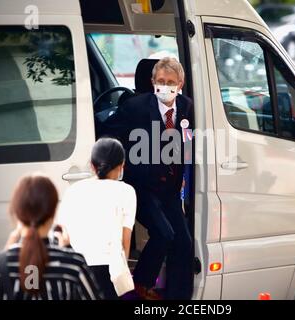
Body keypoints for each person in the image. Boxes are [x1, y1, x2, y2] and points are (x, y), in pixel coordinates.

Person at [109, 57, 193, 300]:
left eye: (171, 82)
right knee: (164, 234)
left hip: (169, 189)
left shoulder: (187, 107)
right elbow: (109, 136)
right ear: (152, 82)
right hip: (141, 188)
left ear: (181, 84)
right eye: (160, 81)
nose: (165, 87)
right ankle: (139, 287)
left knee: (184, 243)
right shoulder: (134, 107)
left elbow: (190, 143)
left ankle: (179, 297)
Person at [0, 174, 102, 300]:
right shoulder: (74, 267)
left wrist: (4, 255)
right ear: (52, 215)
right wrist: (68, 252)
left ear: (17, 214)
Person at [57, 138, 136, 299]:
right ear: (122, 166)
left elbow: (63, 237)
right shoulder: (126, 191)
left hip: (80, 267)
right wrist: (123, 267)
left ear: (92, 166)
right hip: (110, 269)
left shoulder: (74, 190)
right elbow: (125, 240)